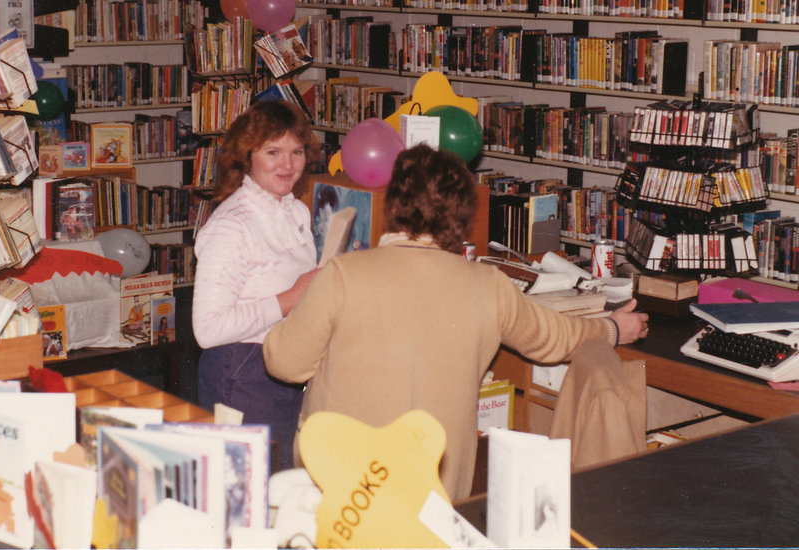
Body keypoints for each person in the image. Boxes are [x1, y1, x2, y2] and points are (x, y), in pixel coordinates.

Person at [263, 145, 649, 501]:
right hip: (437, 488)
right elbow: (555, 337)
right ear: (461, 217)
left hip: (341, 483)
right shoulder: (487, 284)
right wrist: (614, 328)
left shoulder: (343, 274)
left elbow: (284, 363)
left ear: (393, 204)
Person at [193, 100, 320, 471]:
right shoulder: (232, 225)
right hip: (242, 372)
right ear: (247, 156)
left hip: (285, 364)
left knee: (280, 480)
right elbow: (207, 329)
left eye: (296, 152)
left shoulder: (295, 210)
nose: (288, 164)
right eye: (273, 152)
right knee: (247, 486)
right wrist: (290, 298)